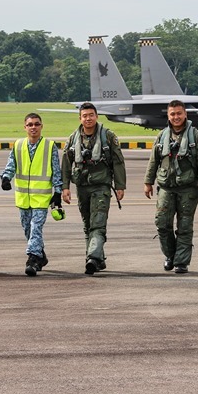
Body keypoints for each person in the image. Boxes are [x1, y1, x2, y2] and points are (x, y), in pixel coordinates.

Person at [144, 100, 198, 274]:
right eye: (172, 114)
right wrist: (148, 182)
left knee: (185, 226)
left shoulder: (195, 136)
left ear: (185, 114)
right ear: (168, 115)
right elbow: (154, 160)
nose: (176, 117)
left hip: (188, 188)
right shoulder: (162, 136)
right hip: (166, 187)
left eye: (179, 113)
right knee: (162, 223)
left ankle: (181, 262)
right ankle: (170, 255)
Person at [62, 102, 126, 275]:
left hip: (101, 186)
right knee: (87, 225)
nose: (88, 118)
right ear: (80, 118)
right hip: (82, 187)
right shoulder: (73, 138)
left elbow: (118, 162)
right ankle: (98, 259)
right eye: (85, 116)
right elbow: (66, 164)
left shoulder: (108, 136)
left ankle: (92, 257)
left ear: (96, 116)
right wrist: (65, 187)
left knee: (98, 225)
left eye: (91, 115)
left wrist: (120, 186)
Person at [1, 113, 63, 277]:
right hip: (23, 198)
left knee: (36, 228)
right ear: (25, 127)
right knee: (28, 229)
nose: (33, 127)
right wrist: (6, 178)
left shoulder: (50, 147)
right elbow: (11, 165)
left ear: (41, 126)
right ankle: (40, 255)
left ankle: (32, 259)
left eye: (36, 124)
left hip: (41, 199)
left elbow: (56, 171)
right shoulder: (18, 145)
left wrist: (57, 193)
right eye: (30, 125)